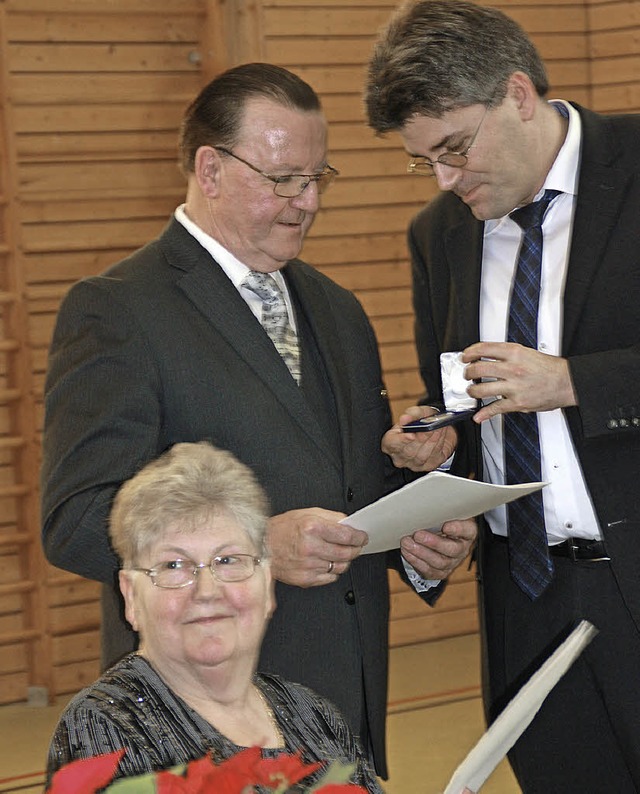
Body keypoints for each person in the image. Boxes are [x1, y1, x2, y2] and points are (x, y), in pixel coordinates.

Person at [40, 62, 476, 778]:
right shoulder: (117, 309)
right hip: (201, 722)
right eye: (283, 180)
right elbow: (76, 519)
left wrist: (414, 531)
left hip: (340, 711)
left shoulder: (337, 308)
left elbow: (341, 489)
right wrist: (255, 547)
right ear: (209, 169)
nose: (307, 202)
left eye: (317, 179)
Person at [365, 1, 640, 791]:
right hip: (528, 600)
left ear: (518, 93)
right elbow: (461, 397)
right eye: (426, 161)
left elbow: (556, 388)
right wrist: (433, 440)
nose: (446, 180)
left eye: (453, 148)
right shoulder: (439, 236)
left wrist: (571, 382)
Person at [46, 441, 382, 791]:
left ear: (266, 584)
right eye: (174, 566)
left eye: (228, 560)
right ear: (131, 596)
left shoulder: (313, 713)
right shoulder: (105, 726)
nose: (206, 590)